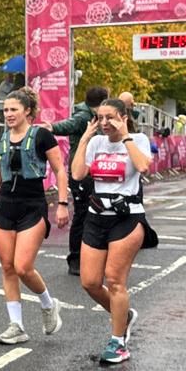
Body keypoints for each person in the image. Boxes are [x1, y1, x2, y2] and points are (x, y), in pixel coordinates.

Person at [0, 88, 70, 344]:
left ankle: (49, 305)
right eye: (5, 110)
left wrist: (62, 203)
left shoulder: (41, 136)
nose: (8, 114)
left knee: (23, 267)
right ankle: (16, 325)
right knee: (7, 267)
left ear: (27, 111)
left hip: (32, 206)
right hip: (5, 206)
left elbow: (60, 170)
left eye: (13, 109)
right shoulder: (2, 138)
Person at [70, 98, 153, 365]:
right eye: (100, 118)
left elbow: (143, 167)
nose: (104, 123)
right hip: (96, 217)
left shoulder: (137, 140)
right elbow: (78, 174)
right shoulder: (96, 142)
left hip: (126, 218)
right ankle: (124, 315)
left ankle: (118, 343)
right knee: (90, 282)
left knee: (115, 280)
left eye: (110, 118)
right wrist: (84, 139)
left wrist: (126, 136)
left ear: (123, 116)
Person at [45, 84, 107, 275]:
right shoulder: (84, 117)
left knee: (97, 214)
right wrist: (51, 127)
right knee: (82, 215)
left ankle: (93, 255)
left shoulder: (97, 116)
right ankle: (75, 258)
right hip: (81, 173)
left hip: (94, 171)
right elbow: (68, 125)